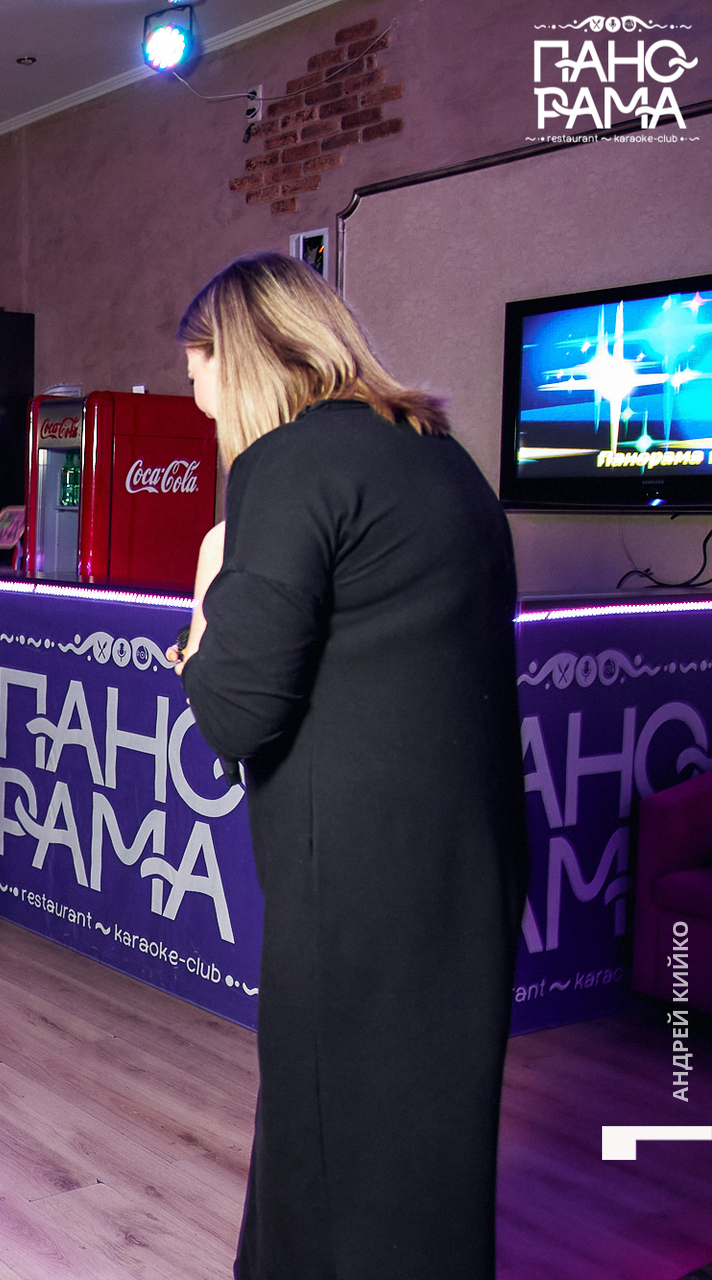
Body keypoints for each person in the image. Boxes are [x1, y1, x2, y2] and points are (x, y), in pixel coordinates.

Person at [168, 253, 527, 1279]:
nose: (203, 411)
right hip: (471, 860)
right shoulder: (439, 453)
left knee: (327, 1141)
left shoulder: (286, 464)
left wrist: (205, 597)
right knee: (433, 1145)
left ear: (242, 359)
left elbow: (234, 713)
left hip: (359, 875)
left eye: (200, 380)